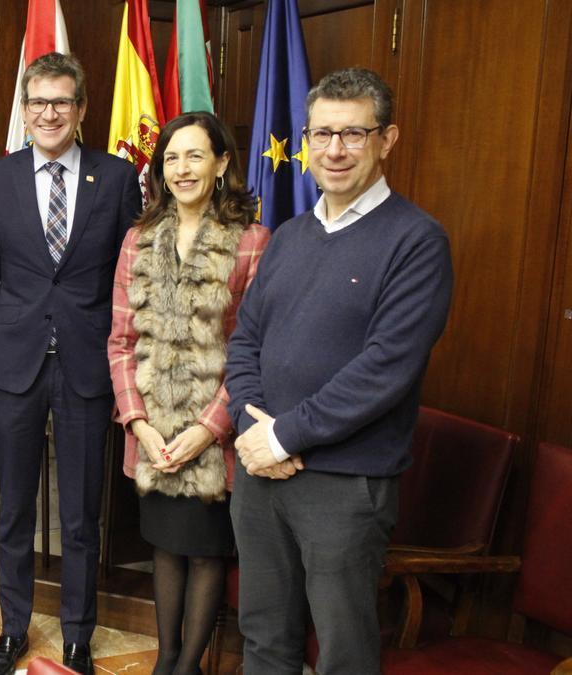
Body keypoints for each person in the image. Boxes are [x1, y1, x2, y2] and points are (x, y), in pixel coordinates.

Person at [224, 67, 454, 675]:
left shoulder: (417, 241)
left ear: (388, 139)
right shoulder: (291, 236)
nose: (334, 150)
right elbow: (245, 339)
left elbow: (387, 368)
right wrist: (252, 429)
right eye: (321, 134)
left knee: (343, 652)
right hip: (260, 474)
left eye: (353, 134)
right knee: (264, 639)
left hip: (345, 486)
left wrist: (283, 435)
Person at [0, 51, 143, 675]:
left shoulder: (115, 179)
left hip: (89, 370)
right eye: (38, 102)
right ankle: (13, 630)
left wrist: (128, 377)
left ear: (82, 109)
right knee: (12, 507)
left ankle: (76, 637)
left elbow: (130, 284)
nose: (49, 113)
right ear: (25, 110)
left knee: (80, 514)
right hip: (12, 368)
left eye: (61, 102)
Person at [107, 112, 269, 675]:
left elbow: (255, 350)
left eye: (195, 156)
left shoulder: (252, 243)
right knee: (165, 549)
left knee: (205, 552)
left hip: (215, 436)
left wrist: (208, 430)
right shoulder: (138, 239)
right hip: (152, 434)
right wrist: (139, 424)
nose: (182, 169)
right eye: (172, 158)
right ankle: (167, 660)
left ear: (222, 162)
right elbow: (121, 340)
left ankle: (187, 666)